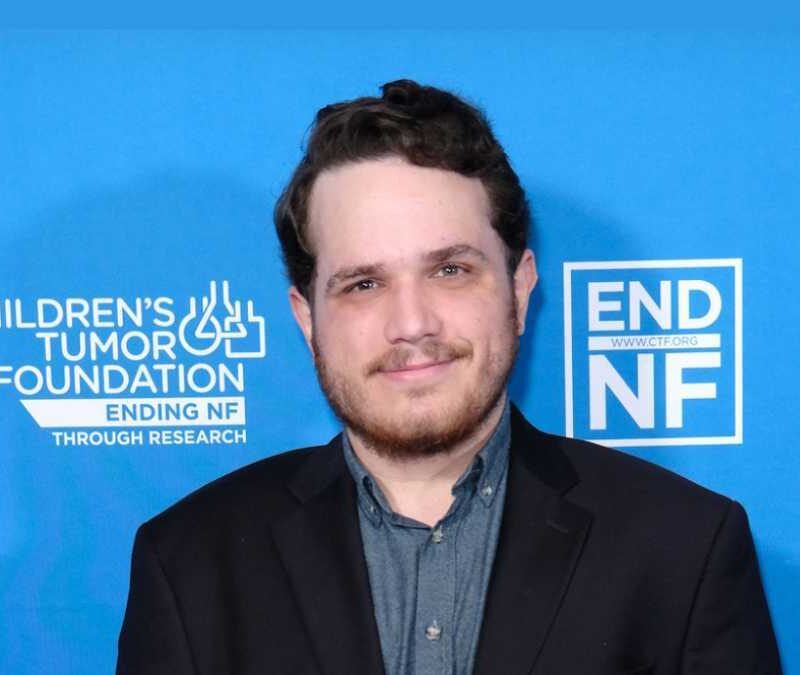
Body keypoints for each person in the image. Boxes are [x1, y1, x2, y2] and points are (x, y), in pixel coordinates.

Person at [117, 80, 782, 675]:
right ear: (307, 317)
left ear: (520, 290)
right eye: (363, 282)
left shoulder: (685, 549)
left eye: (451, 270)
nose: (412, 322)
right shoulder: (189, 564)